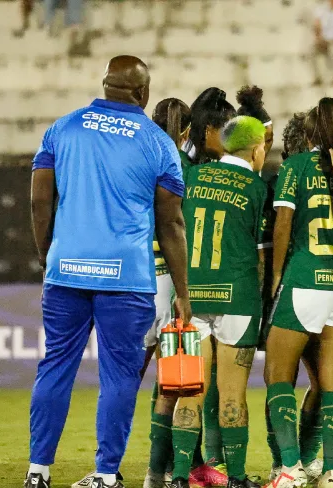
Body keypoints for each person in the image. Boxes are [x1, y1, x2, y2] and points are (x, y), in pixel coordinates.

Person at [26, 55, 192, 488]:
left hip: (66, 272)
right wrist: (184, 292)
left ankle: (38, 471)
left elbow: (40, 203)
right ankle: (104, 475)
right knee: (119, 374)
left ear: (105, 85)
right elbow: (171, 224)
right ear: (143, 93)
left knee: (55, 366)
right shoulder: (158, 144)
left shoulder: (61, 129)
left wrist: (48, 256)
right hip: (126, 278)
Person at [166, 115, 272, 488]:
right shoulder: (257, 188)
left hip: (192, 296)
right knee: (232, 394)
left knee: (190, 392)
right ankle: (238, 478)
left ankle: (179, 477)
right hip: (237, 298)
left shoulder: (194, 176)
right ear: (258, 149)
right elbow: (261, 256)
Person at [264, 98, 333, 488]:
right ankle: (331, 472)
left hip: (307, 278)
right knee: (332, 377)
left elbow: (283, 224)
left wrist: (276, 278)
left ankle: (289, 469)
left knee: (277, 374)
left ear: (306, 134)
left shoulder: (295, 166)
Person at [163, 88, 237, 488]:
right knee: (177, 383)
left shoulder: (203, 165)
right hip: (168, 281)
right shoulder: (181, 165)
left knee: (198, 380)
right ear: (206, 131)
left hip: (191, 284)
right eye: (223, 130)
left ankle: (199, 466)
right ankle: (164, 472)